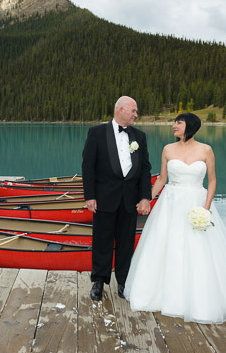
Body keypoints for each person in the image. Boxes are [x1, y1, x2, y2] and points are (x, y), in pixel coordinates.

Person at [124, 112, 226, 324]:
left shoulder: (206, 150)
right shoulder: (167, 149)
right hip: (171, 203)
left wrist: (206, 209)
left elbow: (212, 181)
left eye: (179, 123)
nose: (174, 125)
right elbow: (162, 179)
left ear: (190, 126)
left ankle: (199, 299)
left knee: (198, 249)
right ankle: (164, 294)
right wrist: (147, 198)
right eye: (174, 122)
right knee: (168, 246)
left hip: (196, 202)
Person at [82, 96, 152, 301]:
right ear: (120, 110)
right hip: (104, 198)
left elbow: (145, 169)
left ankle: (123, 283)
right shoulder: (96, 133)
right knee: (102, 240)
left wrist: (145, 196)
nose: (136, 114)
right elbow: (88, 167)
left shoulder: (140, 136)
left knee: (126, 242)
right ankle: (98, 282)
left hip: (129, 199)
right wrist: (90, 196)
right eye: (133, 110)